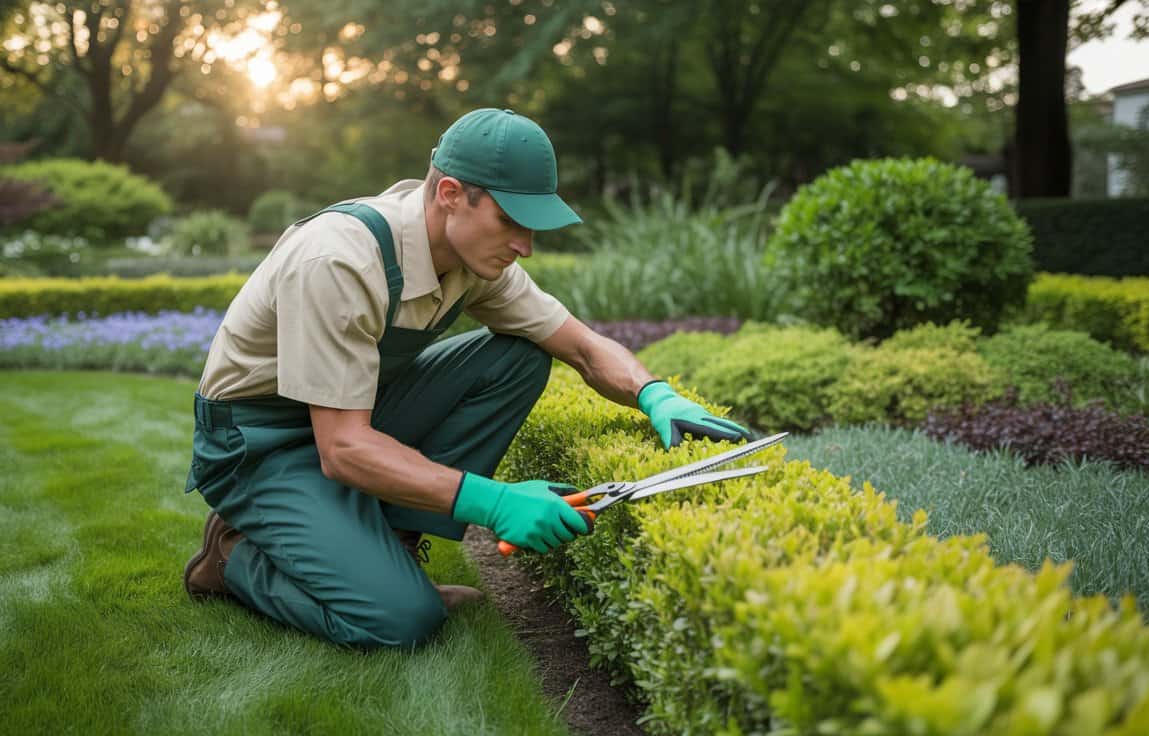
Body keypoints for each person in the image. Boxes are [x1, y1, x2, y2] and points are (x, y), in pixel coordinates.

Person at [182, 108, 752, 649]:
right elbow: (343, 449)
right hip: (260, 443)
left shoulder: (472, 259)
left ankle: (392, 550)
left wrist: (655, 394)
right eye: (510, 222)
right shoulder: (338, 261)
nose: (525, 247)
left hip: (347, 415)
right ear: (451, 194)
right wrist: (494, 502)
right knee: (400, 619)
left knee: (518, 356)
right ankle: (230, 558)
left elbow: (580, 345)